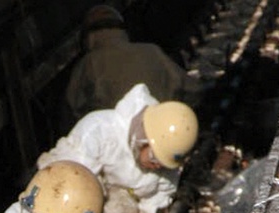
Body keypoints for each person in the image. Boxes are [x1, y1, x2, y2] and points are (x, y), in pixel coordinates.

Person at [39, 82, 198, 213]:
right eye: (154, 158)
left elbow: (159, 198)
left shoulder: (166, 156)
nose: (157, 166)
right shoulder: (97, 130)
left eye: (163, 164)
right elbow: (76, 182)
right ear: (142, 139)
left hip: (114, 198)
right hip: (64, 191)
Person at [62, 4, 201, 124]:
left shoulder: (86, 65)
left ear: (87, 37)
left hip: (118, 146)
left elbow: (72, 114)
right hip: (164, 134)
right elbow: (192, 90)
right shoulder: (152, 51)